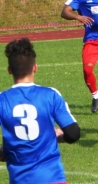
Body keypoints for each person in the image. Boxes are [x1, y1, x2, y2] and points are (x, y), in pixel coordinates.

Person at [0, 37, 80, 183]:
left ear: (9, 70)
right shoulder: (51, 95)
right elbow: (73, 133)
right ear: (35, 67)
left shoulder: (2, 100)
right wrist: (57, 136)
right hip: (53, 178)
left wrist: (6, 152)